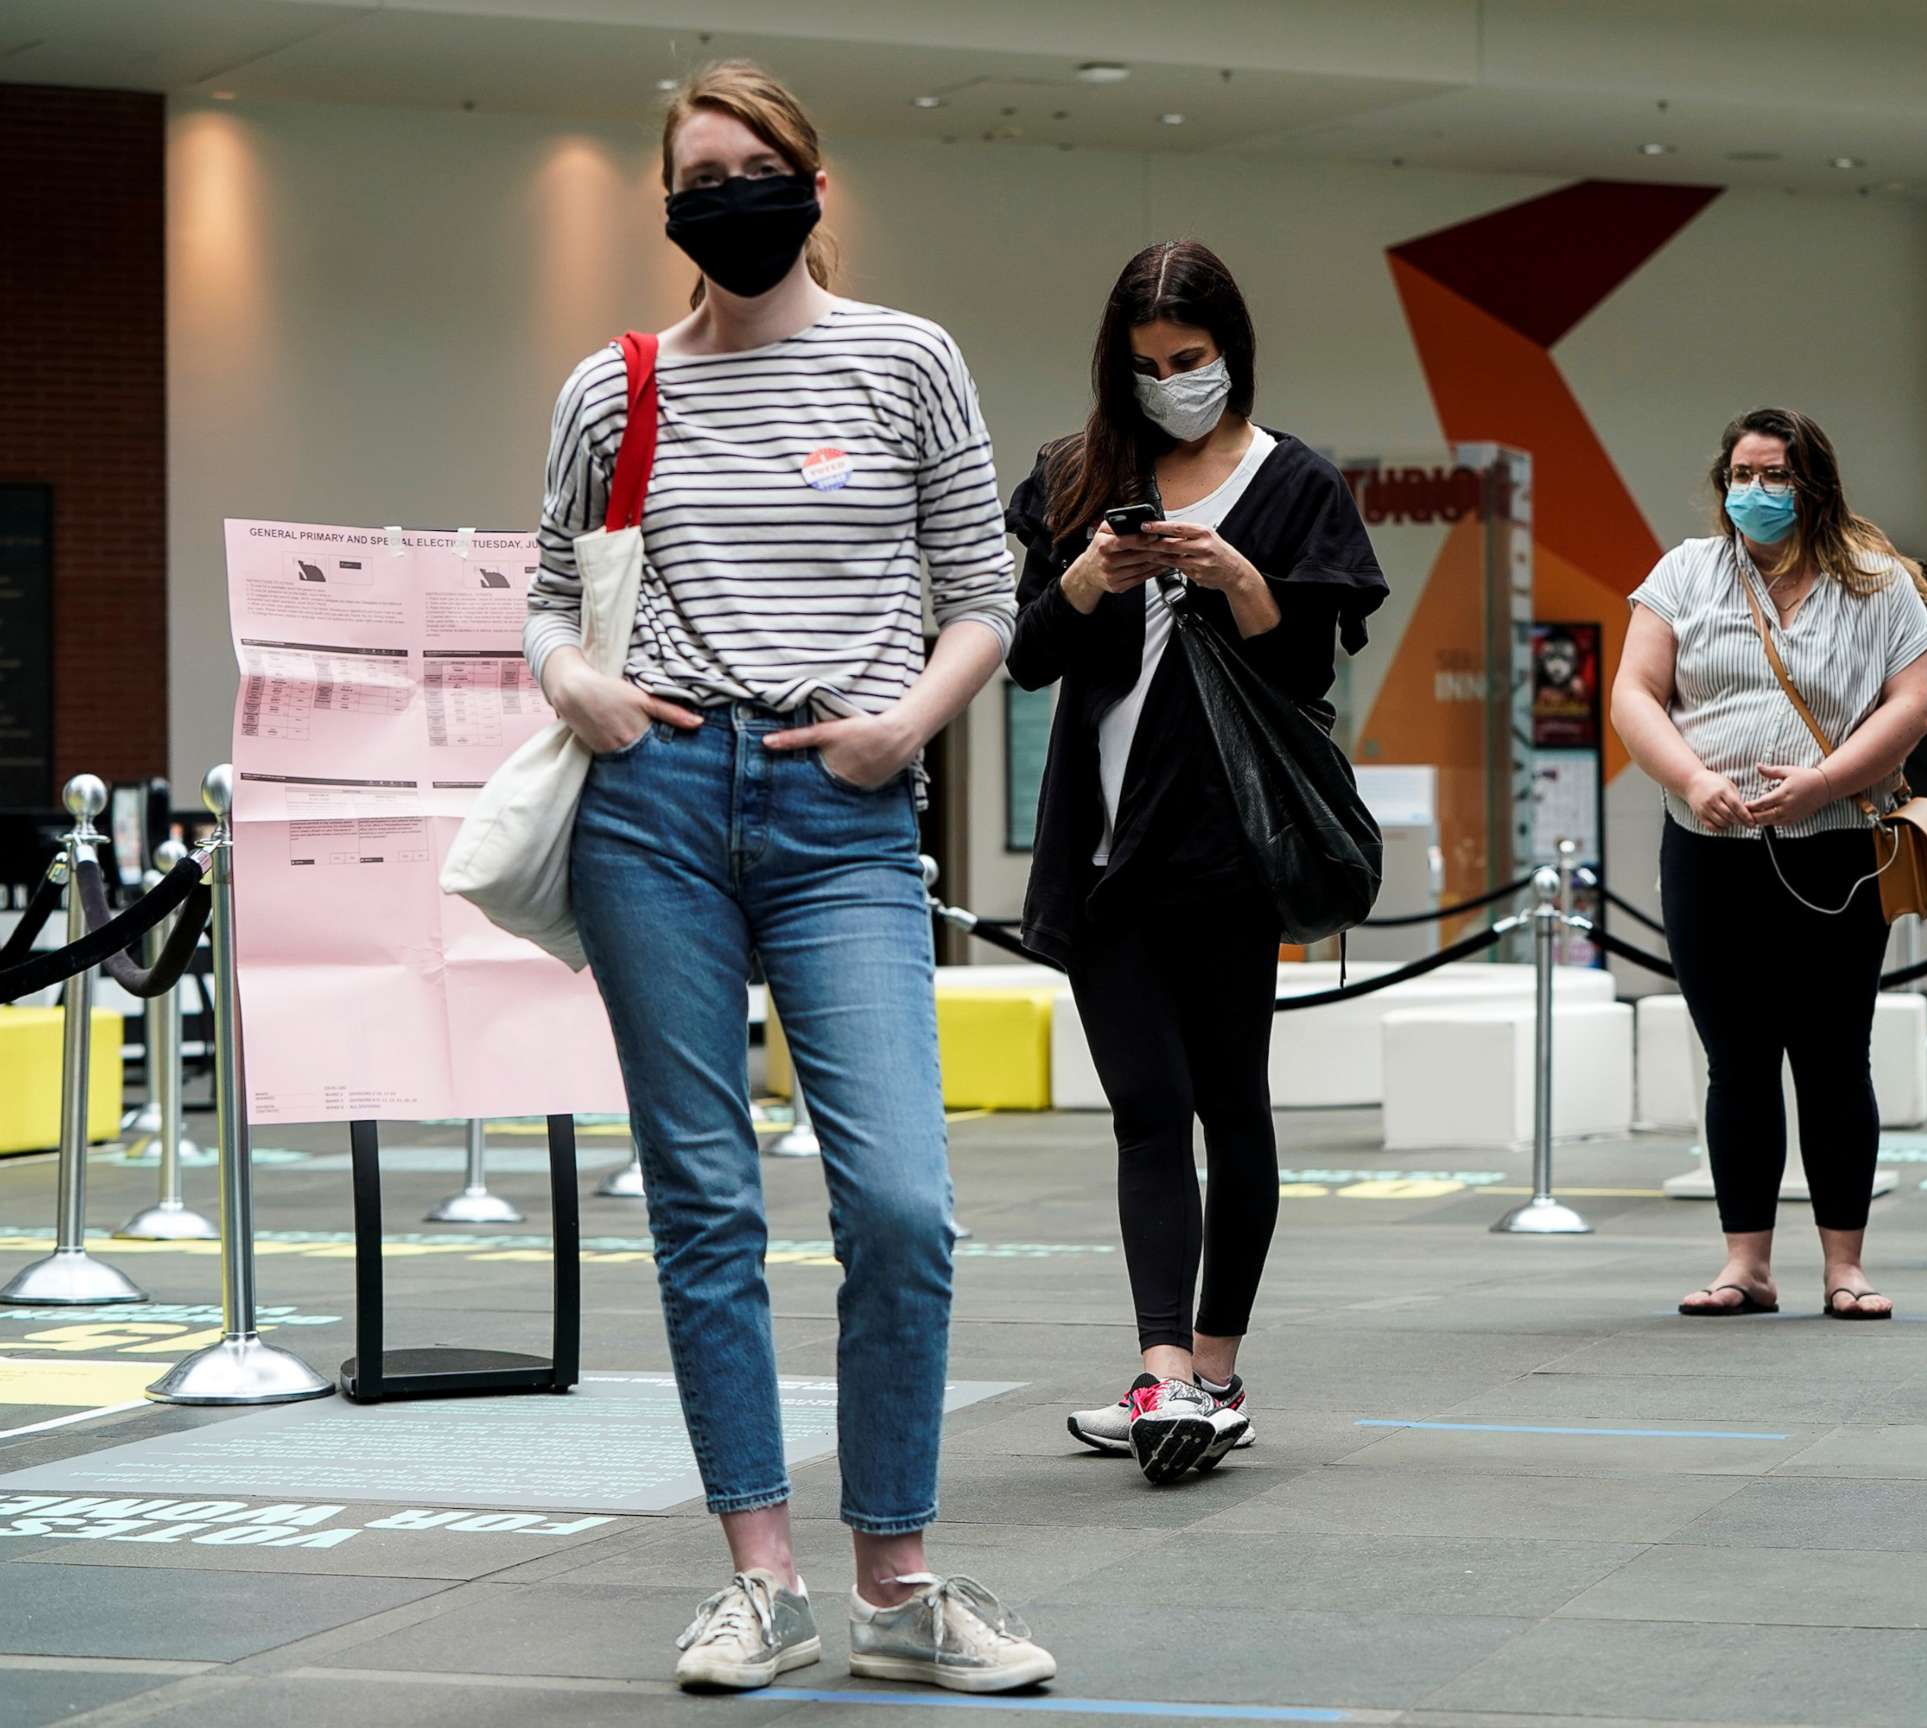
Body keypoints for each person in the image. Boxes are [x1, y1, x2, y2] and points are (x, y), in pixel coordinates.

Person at [528, 62, 1054, 1694]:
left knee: (900, 1196)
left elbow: (986, 585)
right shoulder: (609, 389)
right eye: (701, 172)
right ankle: (760, 1579)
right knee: (705, 1197)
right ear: (669, 201)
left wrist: (910, 720)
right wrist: (580, 689)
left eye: (757, 166)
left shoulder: (904, 360)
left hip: (844, 803)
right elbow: (546, 596)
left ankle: (896, 1577)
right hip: (656, 798)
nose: (729, 191)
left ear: (813, 188)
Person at [1005, 240, 1385, 1483]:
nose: (1173, 382)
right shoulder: (1077, 475)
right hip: (1102, 850)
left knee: (1232, 1102)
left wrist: (1239, 581)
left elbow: (1305, 676)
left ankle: (1213, 1371)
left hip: (1227, 852)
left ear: (1232, 353)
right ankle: (1162, 1370)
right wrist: (1084, 573)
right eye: (1150, 365)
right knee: (1146, 1110)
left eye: (1192, 361)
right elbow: (1028, 655)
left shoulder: (1297, 487)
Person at [1611, 407, 1927, 1323]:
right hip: (1709, 851)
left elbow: (1912, 705)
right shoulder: (1684, 571)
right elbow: (1634, 693)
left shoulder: (1877, 583)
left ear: (1814, 485)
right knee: (1738, 1061)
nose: (1755, 492)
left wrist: (1824, 781)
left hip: (1836, 848)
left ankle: (1847, 1267)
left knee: (1836, 1058)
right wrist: (1690, 776)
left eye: (1775, 475)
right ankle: (1744, 1263)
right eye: (1742, 475)